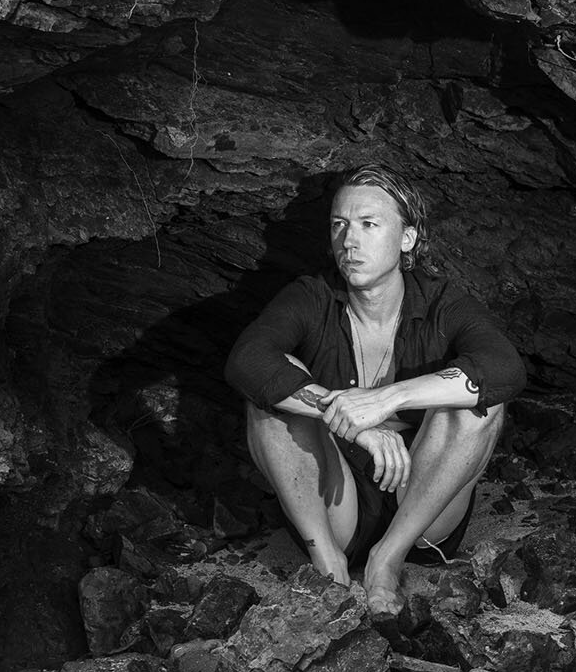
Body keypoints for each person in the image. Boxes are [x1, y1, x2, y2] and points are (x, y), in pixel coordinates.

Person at [224, 164, 526, 618]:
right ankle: (328, 561)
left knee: (476, 400)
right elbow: (246, 360)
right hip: (335, 503)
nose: (349, 241)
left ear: (407, 238)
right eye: (340, 224)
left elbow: (505, 369)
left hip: (423, 508)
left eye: (369, 224)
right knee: (274, 384)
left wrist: (388, 399)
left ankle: (387, 560)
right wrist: (349, 418)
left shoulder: (445, 304)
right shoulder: (312, 296)